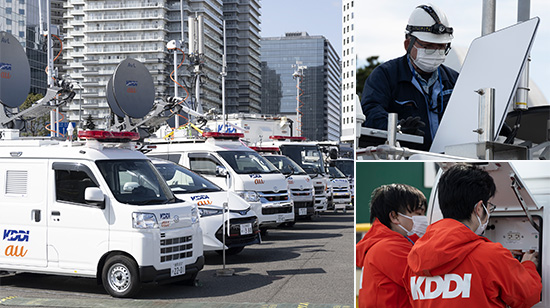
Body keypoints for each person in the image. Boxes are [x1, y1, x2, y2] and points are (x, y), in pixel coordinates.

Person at [403, 164, 542, 307]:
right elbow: (528, 296)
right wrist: (528, 264)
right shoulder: (492, 256)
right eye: (489, 206)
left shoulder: (414, 259)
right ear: (479, 208)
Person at [361, 4, 459, 151]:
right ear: (408, 44)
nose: (436, 52)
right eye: (428, 46)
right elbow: (370, 112)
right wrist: (398, 128)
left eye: (441, 47)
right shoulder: (385, 76)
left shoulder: (454, 80)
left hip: (449, 157)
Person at [356, 184, 428, 308]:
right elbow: (429, 282)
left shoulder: (382, 242)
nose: (424, 219)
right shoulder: (389, 248)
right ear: (394, 217)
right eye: (418, 214)